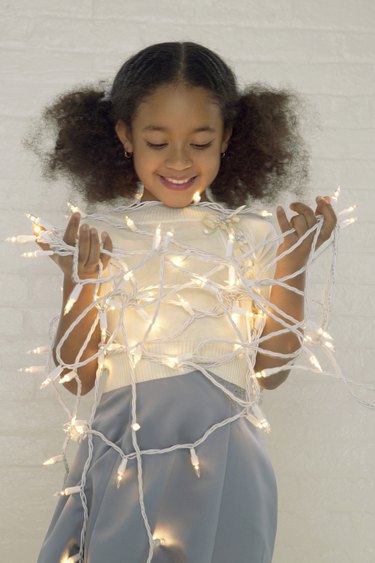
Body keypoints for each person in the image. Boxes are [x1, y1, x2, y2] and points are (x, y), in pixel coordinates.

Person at [26, 41, 337, 563]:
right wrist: (80, 283)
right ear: (125, 135)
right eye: (156, 140)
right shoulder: (101, 237)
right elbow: (76, 376)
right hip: (130, 457)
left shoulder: (251, 235)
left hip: (227, 459)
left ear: (227, 139)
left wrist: (293, 266)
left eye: (199, 142)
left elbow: (272, 371)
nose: (177, 160)